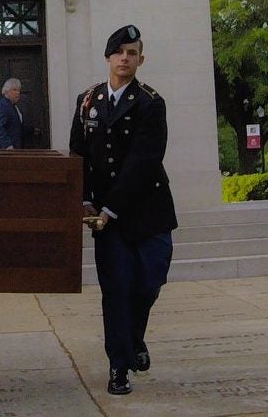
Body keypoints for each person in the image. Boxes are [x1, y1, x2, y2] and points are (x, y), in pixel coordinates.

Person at [68, 24, 177, 396]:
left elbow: (145, 160)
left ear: (141, 59)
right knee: (115, 292)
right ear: (108, 58)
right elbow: (77, 157)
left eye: (132, 53)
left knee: (148, 284)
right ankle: (119, 367)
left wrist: (110, 207)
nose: (125, 59)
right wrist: (83, 200)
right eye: (119, 53)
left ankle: (134, 338)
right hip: (104, 221)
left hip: (147, 213)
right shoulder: (87, 102)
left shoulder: (151, 102)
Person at [0, 77, 26, 149]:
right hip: (5, 150)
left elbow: (16, 125)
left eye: (19, 90)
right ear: (6, 91)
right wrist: (7, 145)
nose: (18, 93)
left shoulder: (13, 106)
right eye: (14, 90)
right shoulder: (2, 105)